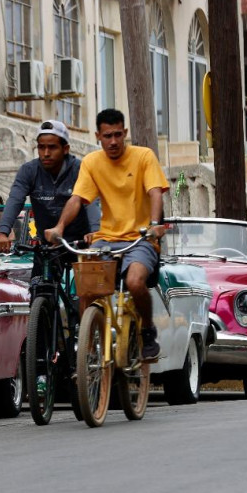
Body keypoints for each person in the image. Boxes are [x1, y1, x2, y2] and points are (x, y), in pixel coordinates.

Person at [43, 108, 169, 361]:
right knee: (86, 288)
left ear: (125, 133)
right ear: (97, 136)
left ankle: (147, 330)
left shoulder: (144, 156)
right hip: (106, 239)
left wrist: (154, 226)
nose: (113, 141)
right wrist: (59, 228)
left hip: (141, 238)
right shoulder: (91, 162)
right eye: (107, 136)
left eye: (118, 135)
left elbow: (156, 192)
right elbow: (77, 199)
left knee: (134, 282)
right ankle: (88, 352)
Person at [0, 119, 100, 253]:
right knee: (38, 273)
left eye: (52, 147)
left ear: (65, 149)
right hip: (46, 247)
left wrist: (95, 232)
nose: (46, 153)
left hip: (80, 246)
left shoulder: (80, 169)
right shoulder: (29, 171)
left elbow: (91, 202)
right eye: (41, 147)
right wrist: (3, 231)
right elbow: (15, 200)